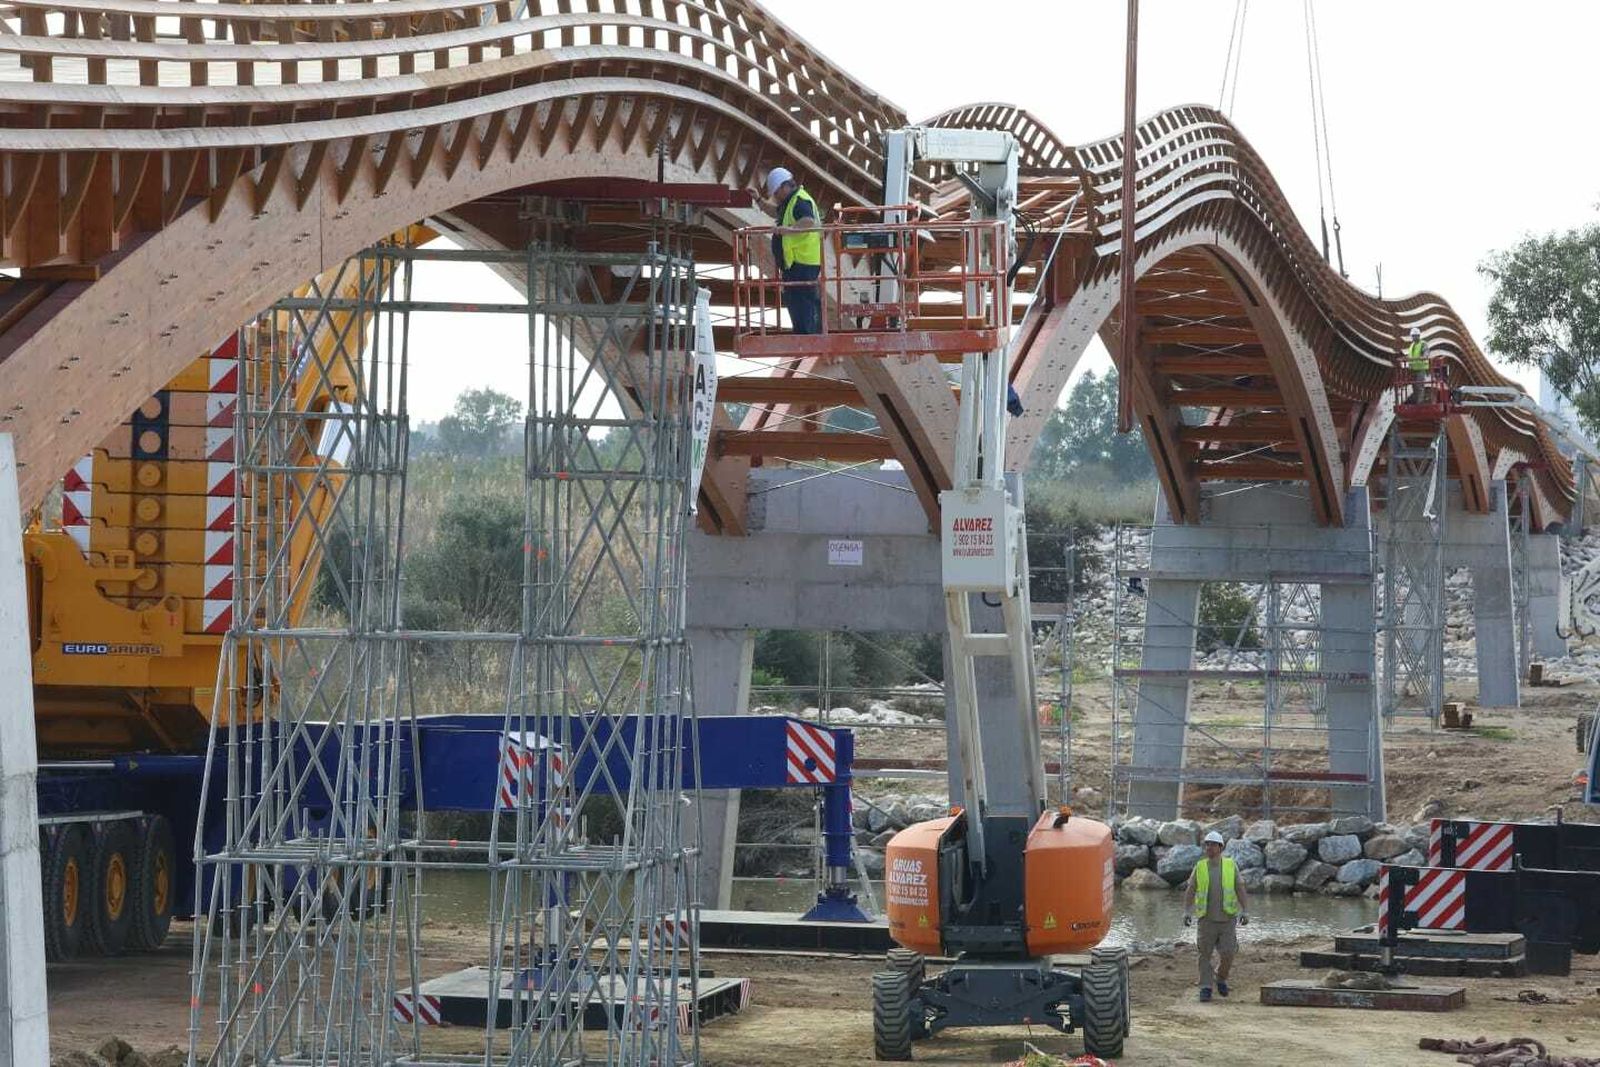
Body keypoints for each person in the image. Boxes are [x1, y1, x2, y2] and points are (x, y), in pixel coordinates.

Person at [1183, 830, 1250, 1002]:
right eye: (1207, 844)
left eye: (1213, 845)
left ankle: (1220, 977)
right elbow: (1191, 890)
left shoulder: (1230, 865)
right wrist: (1187, 911)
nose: (1209, 848)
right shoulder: (1200, 867)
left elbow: (1240, 888)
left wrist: (1245, 910)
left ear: (1220, 847)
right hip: (1206, 920)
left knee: (1228, 953)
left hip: (1227, 919)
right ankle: (1205, 986)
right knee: (1204, 954)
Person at [765, 166, 823, 335]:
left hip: (802, 261)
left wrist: (788, 230)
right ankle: (805, 332)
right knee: (798, 300)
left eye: (776, 193)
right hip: (797, 262)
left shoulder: (799, 200)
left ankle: (807, 334)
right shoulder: (790, 202)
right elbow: (776, 212)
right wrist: (759, 201)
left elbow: (808, 221)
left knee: (802, 301)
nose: (775, 198)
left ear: (785, 186)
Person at [1404, 326, 1430, 403]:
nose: (1413, 337)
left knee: (1420, 385)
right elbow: (1410, 356)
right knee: (1414, 386)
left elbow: (1426, 352)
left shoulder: (1423, 344)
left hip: (1420, 369)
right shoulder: (1412, 345)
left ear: (1418, 336)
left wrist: (1424, 357)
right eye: (1412, 336)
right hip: (1413, 369)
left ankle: (1420, 402)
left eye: (1414, 336)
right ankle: (1416, 401)